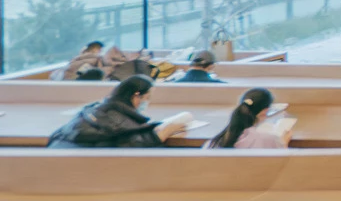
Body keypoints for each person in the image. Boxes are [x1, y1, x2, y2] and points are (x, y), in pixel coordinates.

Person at [48, 76, 192, 148]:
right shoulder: (120, 123)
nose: (147, 102)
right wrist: (182, 118)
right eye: (147, 98)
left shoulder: (93, 111)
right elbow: (141, 141)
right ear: (137, 96)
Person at [202, 86, 293, 150]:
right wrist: (283, 144)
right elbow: (281, 165)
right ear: (265, 111)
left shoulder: (212, 143)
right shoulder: (269, 140)